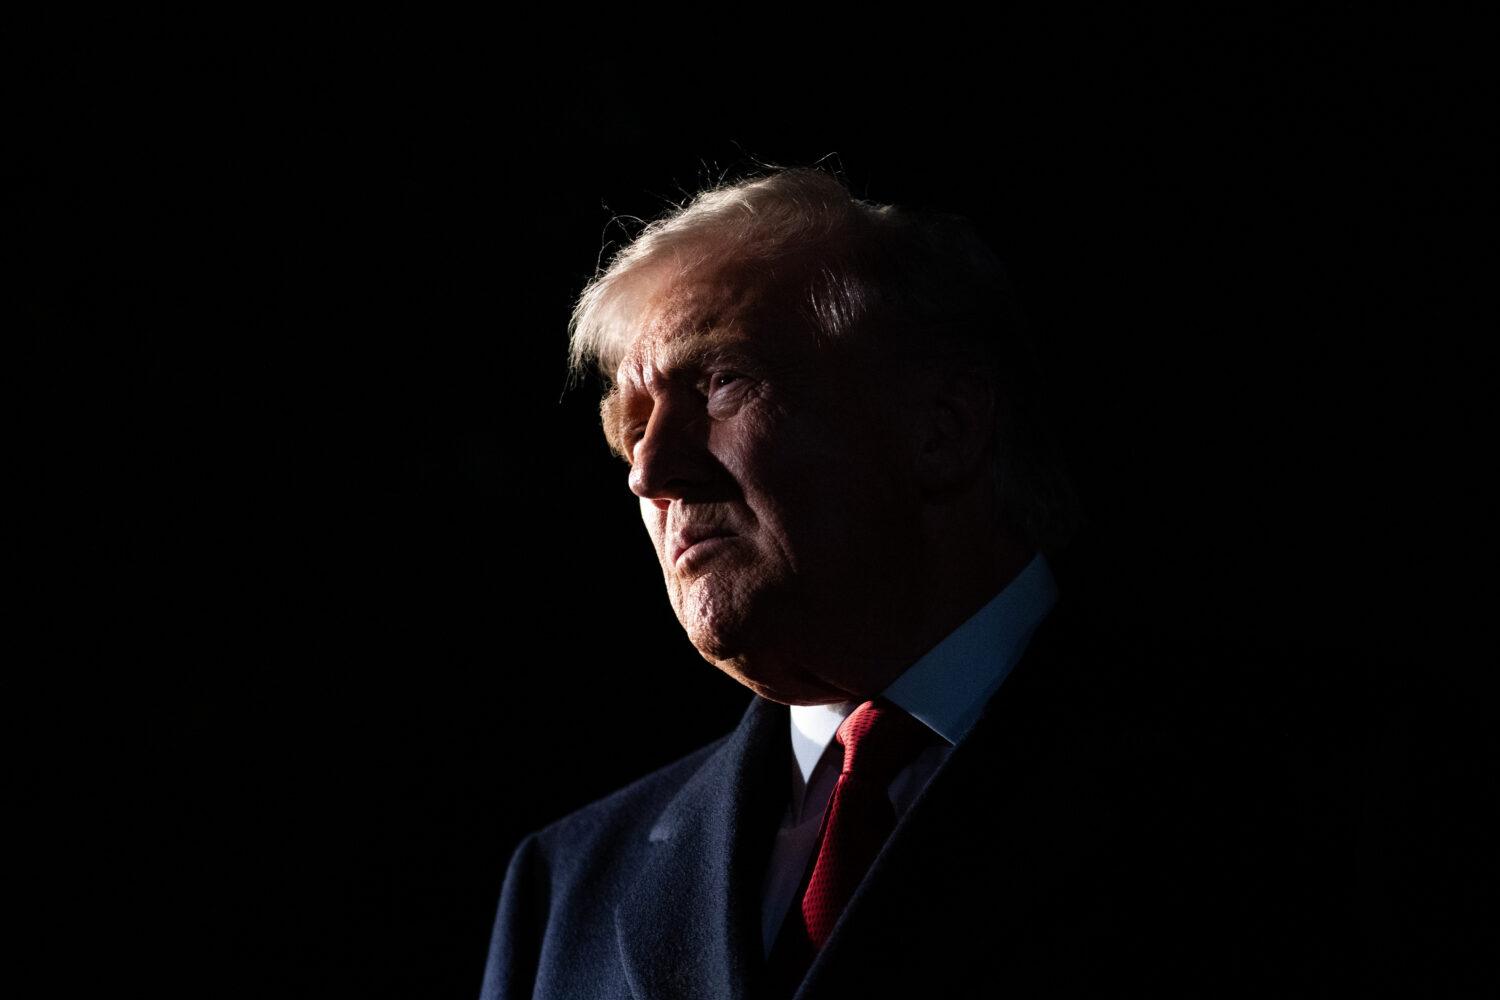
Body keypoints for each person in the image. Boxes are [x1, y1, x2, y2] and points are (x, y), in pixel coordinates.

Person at [481, 170, 1353, 998]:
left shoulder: (1301, 791)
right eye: (633, 428)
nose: (651, 473)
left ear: (942, 429)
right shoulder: (566, 885)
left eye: (721, 382)